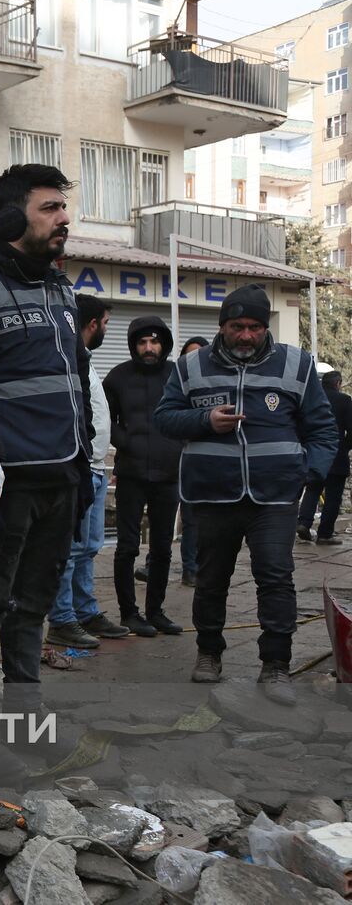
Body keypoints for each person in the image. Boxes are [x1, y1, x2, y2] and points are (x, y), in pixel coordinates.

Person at [0, 163, 91, 784]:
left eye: (64, 207)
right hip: (6, 480)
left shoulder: (62, 290)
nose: (63, 219)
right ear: (10, 218)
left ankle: (25, 724)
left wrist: (84, 463)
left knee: (34, 604)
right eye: (49, 208)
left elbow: (75, 384)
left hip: (62, 477)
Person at [154, 284, 338, 705]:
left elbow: (323, 430)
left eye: (255, 326)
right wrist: (204, 420)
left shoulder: (296, 364)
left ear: (265, 326)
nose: (247, 335)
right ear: (222, 327)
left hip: (274, 498)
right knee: (211, 579)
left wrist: (307, 473)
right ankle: (208, 653)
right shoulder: (190, 367)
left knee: (275, 578)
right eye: (237, 326)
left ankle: (276, 666)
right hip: (212, 495)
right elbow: (164, 419)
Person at [46, 295, 131, 649]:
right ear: (93, 323)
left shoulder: (86, 360)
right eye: (107, 323)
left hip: (95, 468)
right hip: (78, 468)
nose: (107, 330)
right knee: (70, 548)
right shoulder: (64, 357)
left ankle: (85, 611)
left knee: (89, 547)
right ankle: (62, 619)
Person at [103, 317, 185, 638]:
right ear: (133, 345)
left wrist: (179, 443)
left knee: (163, 547)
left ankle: (156, 611)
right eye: (142, 342)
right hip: (132, 473)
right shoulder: (118, 377)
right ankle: (129, 613)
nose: (149, 348)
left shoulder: (177, 375)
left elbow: (190, 412)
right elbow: (103, 417)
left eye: (154, 341)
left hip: (169, 474)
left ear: (164, 343)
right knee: (126, 548)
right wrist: (125, 442)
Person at [297, 370, 352, 545]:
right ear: (338, 383)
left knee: (313, 489)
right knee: (333, 496)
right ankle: (325, 533)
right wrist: (344, 447)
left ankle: (304, 523)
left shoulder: (311, 399)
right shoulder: (344, 400)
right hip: (336, 454)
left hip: (313, 453)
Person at [177, 336, 209, 586]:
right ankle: (190, 568)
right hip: (183, 461)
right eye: (189, 354)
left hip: (213, 463)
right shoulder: (177, 384)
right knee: (190, 520)